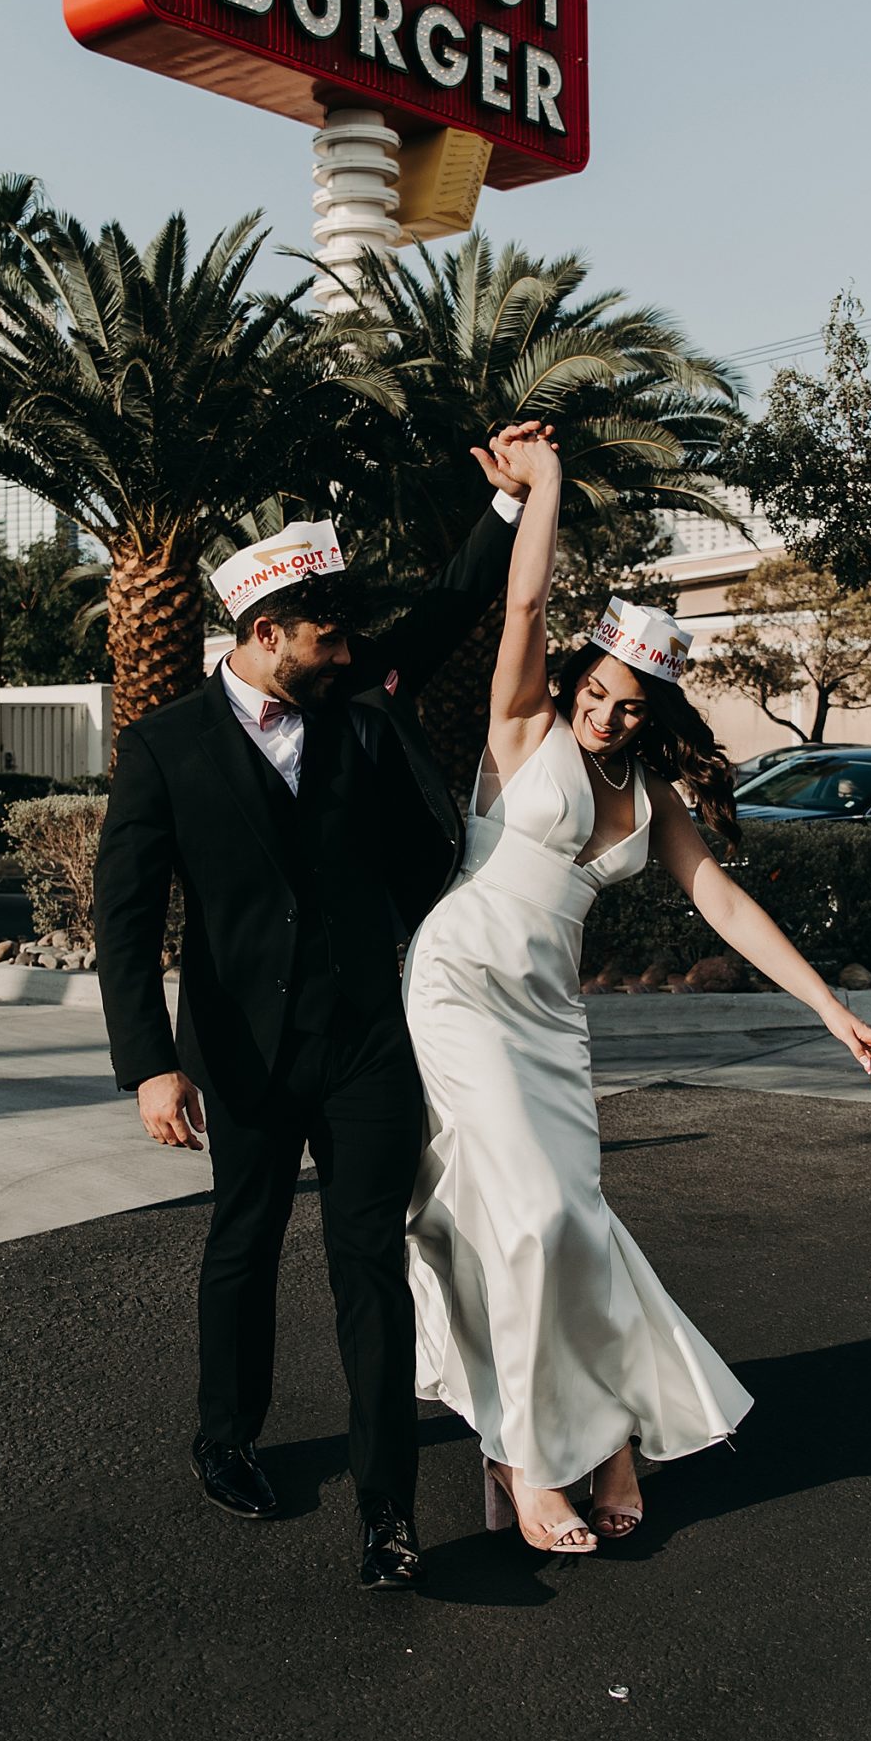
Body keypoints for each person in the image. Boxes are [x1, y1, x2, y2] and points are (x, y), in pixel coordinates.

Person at [404, 432, 871, 1554]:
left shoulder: (650, 793)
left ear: (656, 712)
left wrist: (832, 1009)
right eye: (596, 692)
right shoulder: (523, 726)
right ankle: (533, 1458)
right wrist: (540, 492)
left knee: (567, 1221)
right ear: (575, 682)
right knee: (531, 1216)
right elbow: (525, 605)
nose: (605, 715)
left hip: (546, 1012)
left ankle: (614, 1435)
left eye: (629, 705)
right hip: (456, 981)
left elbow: (724, 906)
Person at [92, 427, 546, 1593]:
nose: (345, 649)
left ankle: (388, 1511)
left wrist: (502, 508)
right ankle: (225, 1438)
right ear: (263, 636)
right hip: (239, 1054)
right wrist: (150, 1063)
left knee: (368, 1264)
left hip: (364, 1041)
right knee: (241, 1244)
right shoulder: (164, 749)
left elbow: (446, 617)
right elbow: (126, 920)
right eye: (324, 634)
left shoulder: (353, 700)